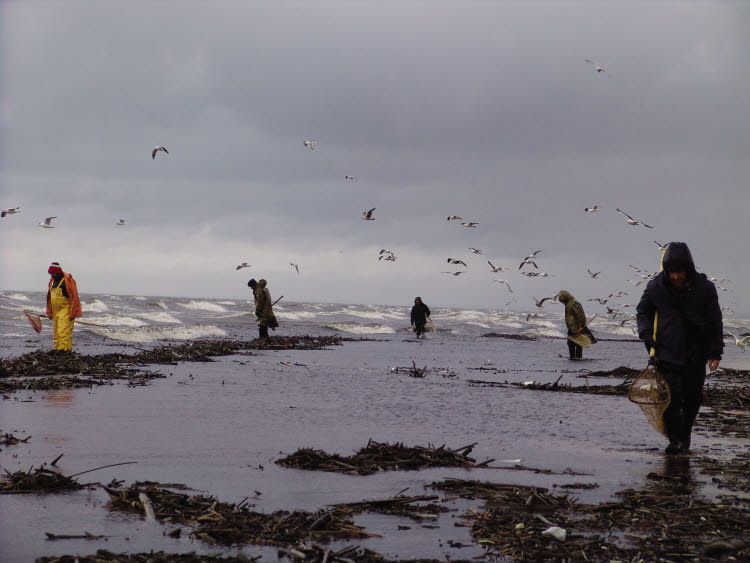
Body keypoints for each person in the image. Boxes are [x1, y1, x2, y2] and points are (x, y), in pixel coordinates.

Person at [636, 242, 723, 455]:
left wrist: (715, 351)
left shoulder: (705, 288)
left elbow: (715, 321)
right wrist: (646, 334)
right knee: (671, 399)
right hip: (666, 351)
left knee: (692, 399)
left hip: (696, 352)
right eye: (671, 272)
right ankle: (675, 441)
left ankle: (684, 437)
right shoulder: (656, 287)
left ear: (688, 268)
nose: (675, 276)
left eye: (679, 272)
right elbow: (642, 312)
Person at [45, 261, 82, 352]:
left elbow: (74, 298)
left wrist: (73, 312)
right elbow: (50, 299)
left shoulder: (68, 281)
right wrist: (49, 312)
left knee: (64, 333)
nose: (52, 275)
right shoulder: (52, 282)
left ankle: (64, 353)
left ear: (58, 272)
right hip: (55, 312)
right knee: (56, 334)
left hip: (66, 311)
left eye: (53, 273)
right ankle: (59, 351)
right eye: (50, 273)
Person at [557, 290, 596, 359]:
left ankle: (577, 357)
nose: (562, 302)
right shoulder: (568, 304)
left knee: (577, 342)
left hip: (577, 327)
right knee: (572, 342)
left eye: (562, 300)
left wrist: (581, 325)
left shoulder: (574, 303)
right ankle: (574, 357)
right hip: (572, 328)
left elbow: (581, 315)